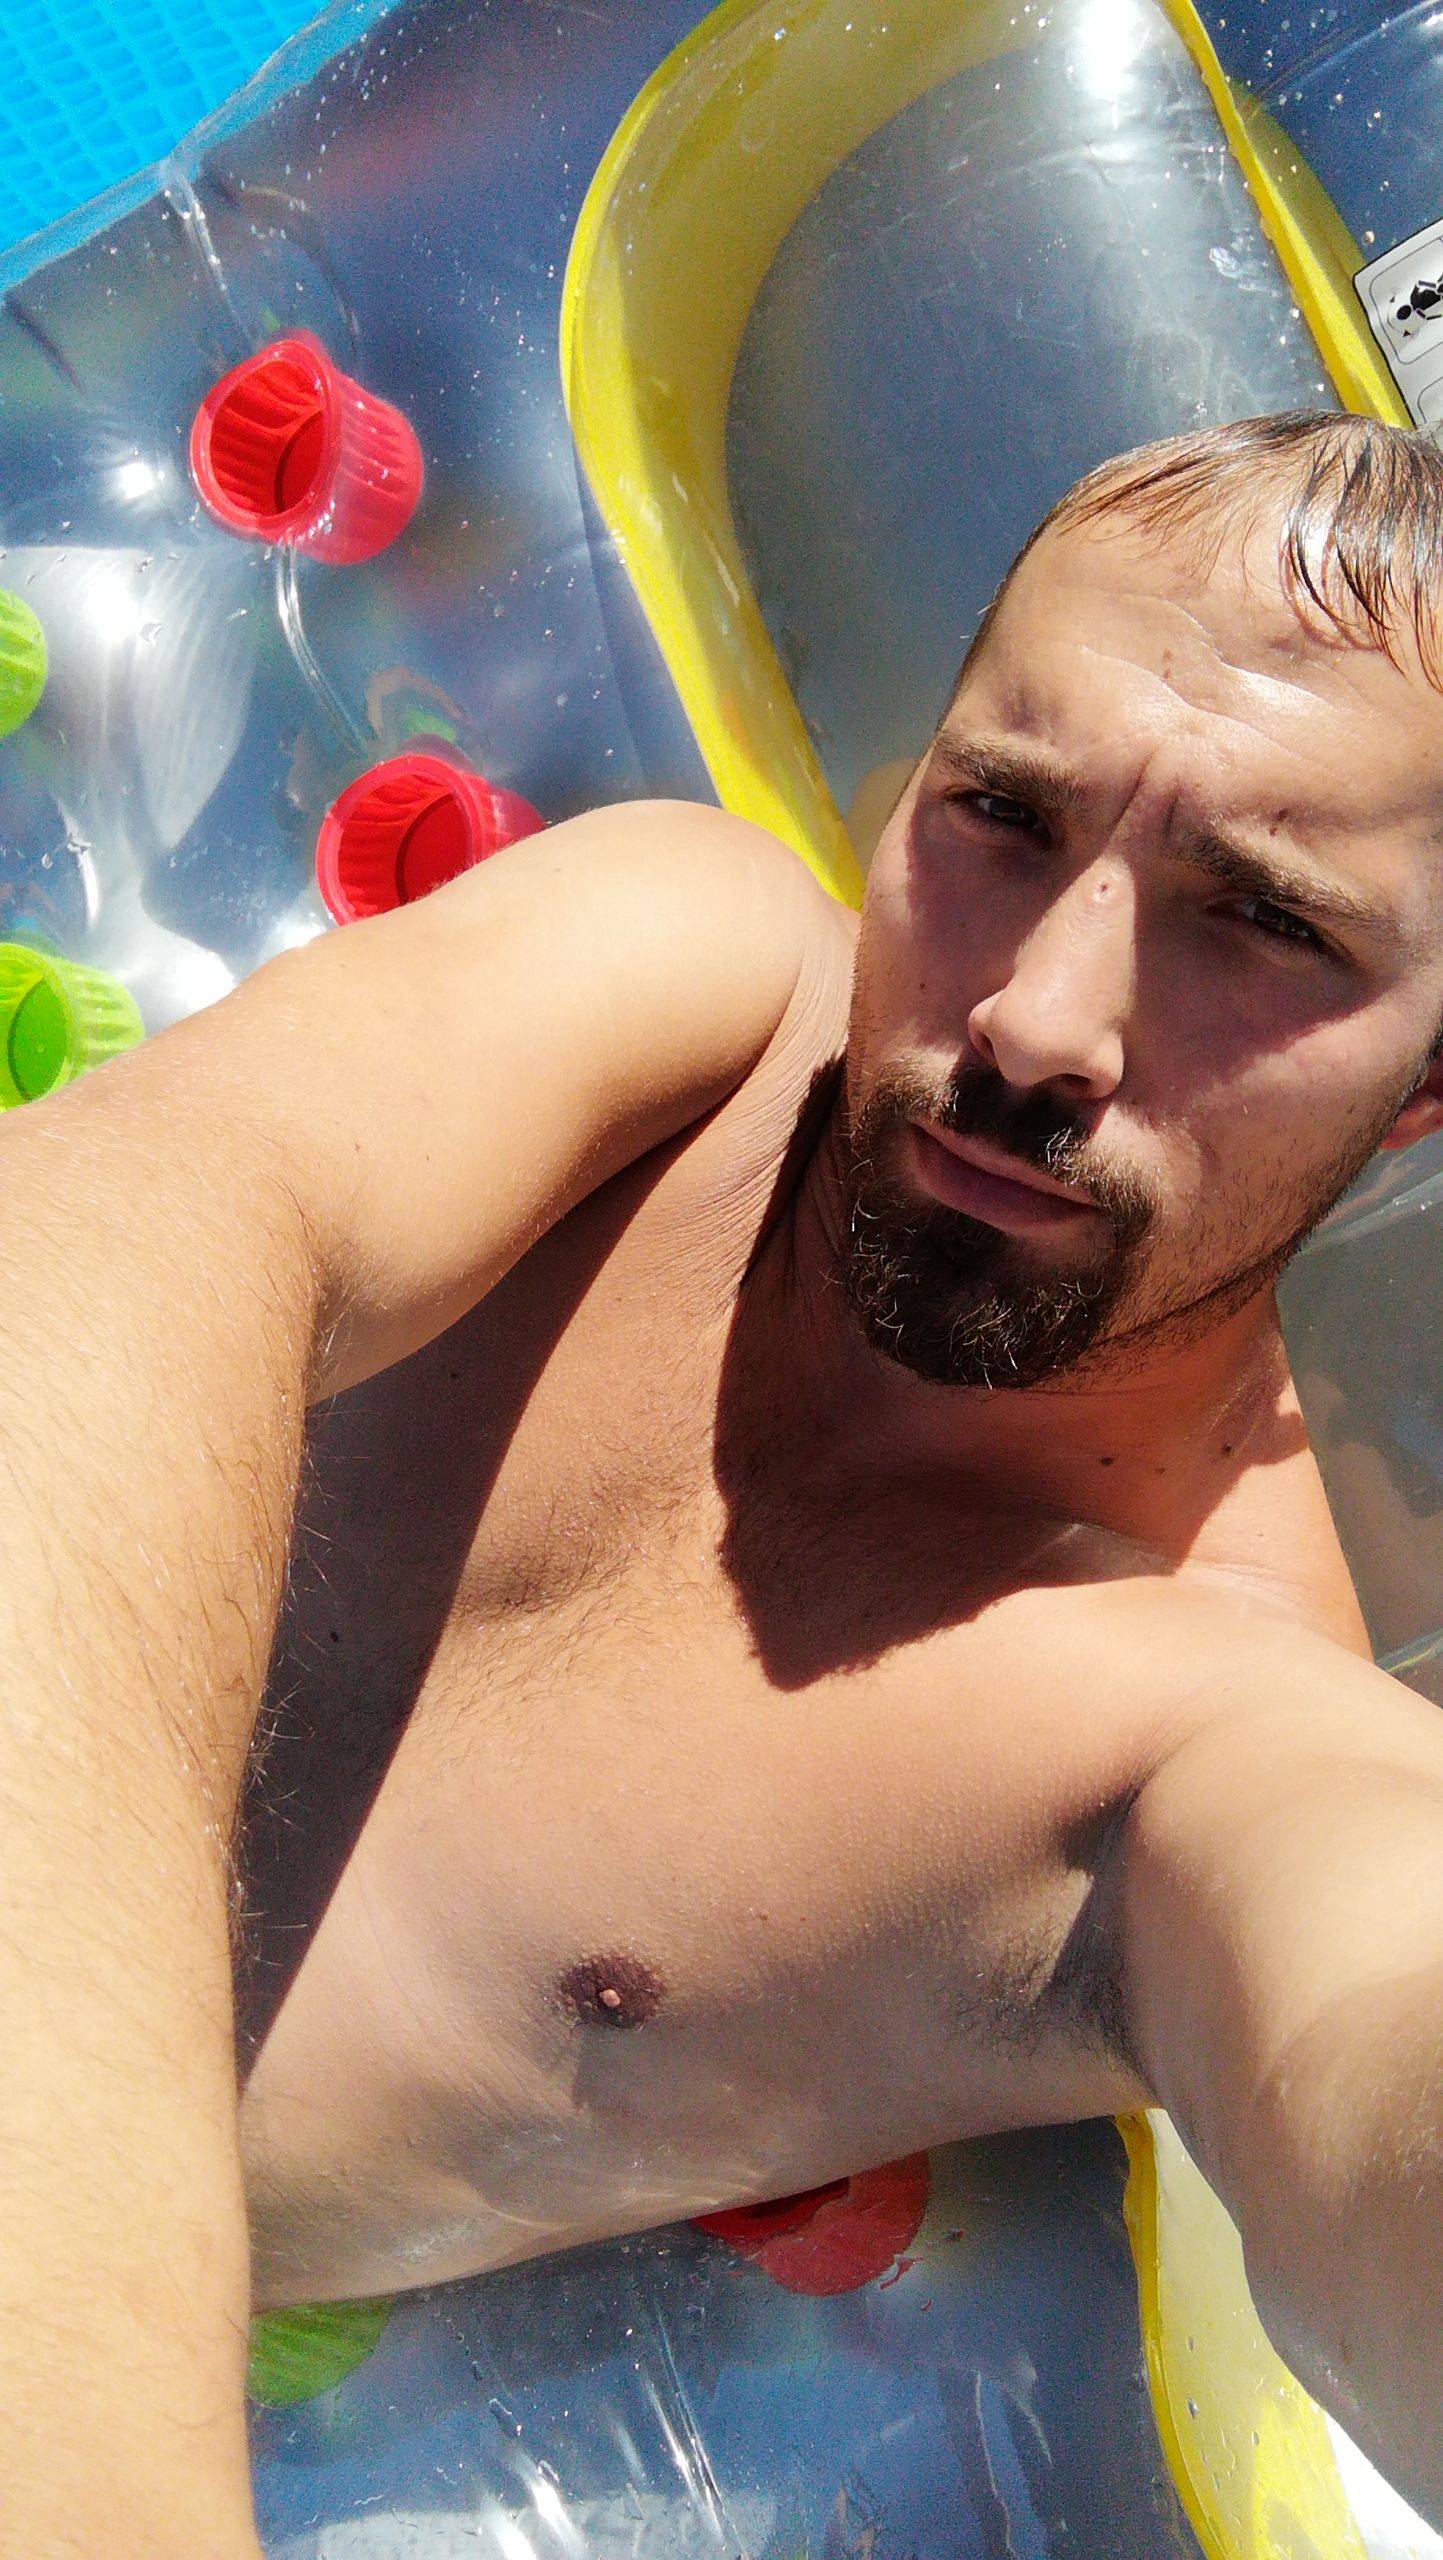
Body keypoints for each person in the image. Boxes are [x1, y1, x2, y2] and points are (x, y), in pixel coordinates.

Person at [6, 411, 1443, 2556]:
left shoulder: (1202, 1734)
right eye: (999, 814)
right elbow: (115, 1233)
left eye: (1257, 920)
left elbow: (1382, 2046)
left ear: (1426, 1087)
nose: (1039, 1019)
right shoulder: (683, 982)